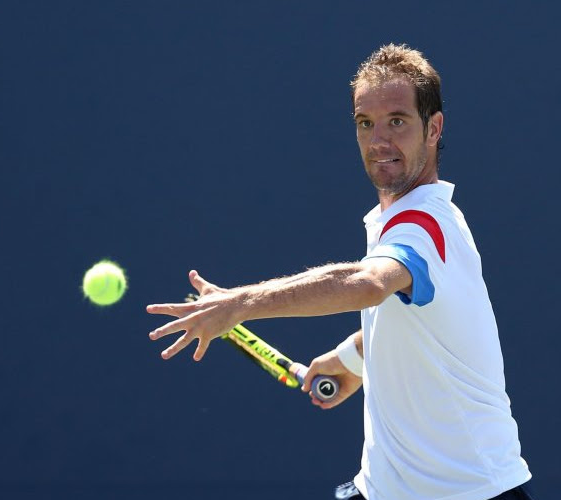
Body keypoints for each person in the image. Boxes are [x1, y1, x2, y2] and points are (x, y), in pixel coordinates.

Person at [148, 43, 534, 500]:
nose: (378, 141)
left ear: (433, 129)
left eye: (397, 121)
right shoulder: (399, 222)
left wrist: (239, 304)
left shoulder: (425, 225)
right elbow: (422, 325)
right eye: (365, 123)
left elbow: (367, 285)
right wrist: (353, 359)